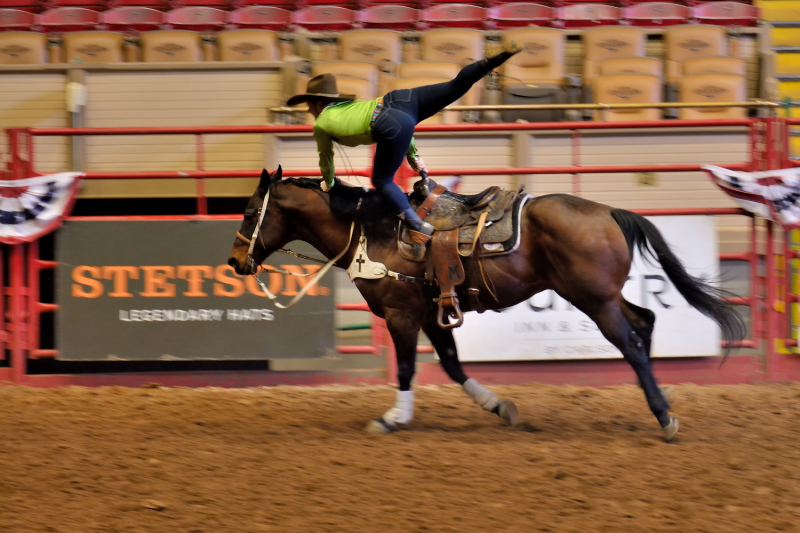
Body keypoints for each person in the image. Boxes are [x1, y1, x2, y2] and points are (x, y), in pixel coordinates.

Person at [286, 42, 522, 244]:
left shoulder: (321, 124)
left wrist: (328, 183)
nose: (308, 109)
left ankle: (417, 226)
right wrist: (414, 157)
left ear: (317, 103)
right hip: (401, 100)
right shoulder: (346, 107)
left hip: (390, 122)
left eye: (309, 104)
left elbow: (326, 159)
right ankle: (490, 62)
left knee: (381, 180)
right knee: (454, 86)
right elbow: (397, 121)